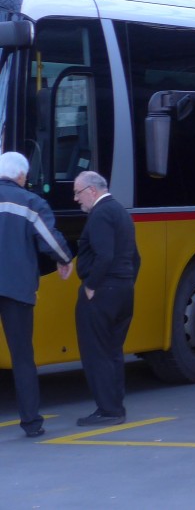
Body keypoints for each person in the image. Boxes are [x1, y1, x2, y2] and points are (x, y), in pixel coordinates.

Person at [0, 151, 72, 438]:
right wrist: (64, 259)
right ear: (21, 176)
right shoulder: (31, 203)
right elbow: (49, 240)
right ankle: (31, 422)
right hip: (17, 289)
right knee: (22, 357)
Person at [72, 170, 140, 427]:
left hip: (102, 292)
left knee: (96, 352)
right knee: (113, 351)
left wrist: (91, 285)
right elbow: (136, 258)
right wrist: (126, 282)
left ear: (91, 190)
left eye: (78, 193)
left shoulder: (100, 215)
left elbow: (104, 256)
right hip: (123, 290)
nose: (76, 199)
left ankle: (108, 410)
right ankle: (115, 406)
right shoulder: (121, 212)